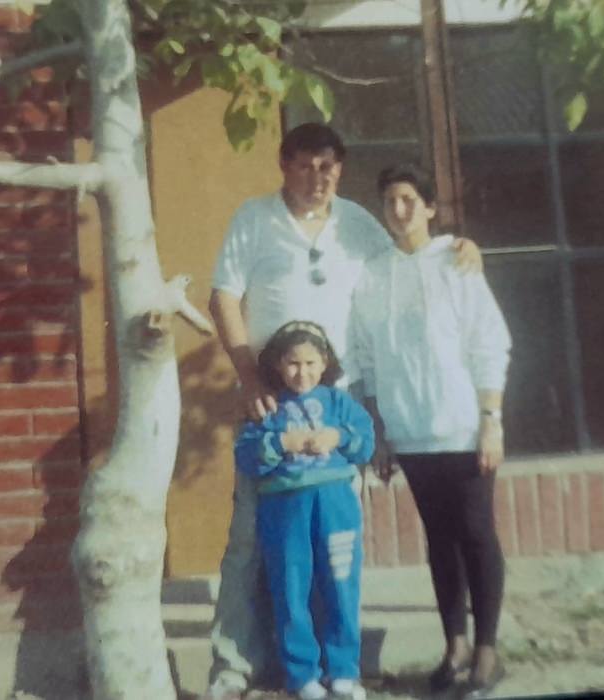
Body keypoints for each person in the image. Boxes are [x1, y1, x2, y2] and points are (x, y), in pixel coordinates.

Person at [205, 122, 482, 700]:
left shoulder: (356, 223)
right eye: (306, 165)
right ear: (284, 165)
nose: (318, 177)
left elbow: (407, 260)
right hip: (273, 399)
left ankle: (334, 665)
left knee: (331, 542)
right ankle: (234, 663)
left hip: (340, 402)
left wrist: (458, 246)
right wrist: (249, 376)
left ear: (340, 170)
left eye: (328, 166)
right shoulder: (254, 218)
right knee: (252, 537)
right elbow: (223, 295)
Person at [349, 163, 512, 700]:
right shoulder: (373, 275)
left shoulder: (456, 262)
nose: (398, 211)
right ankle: (455, 646)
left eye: (408, 200)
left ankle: (487, 651)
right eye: (390, 201)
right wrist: (381, 432)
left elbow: (490, 342)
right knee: (439, 539)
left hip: (462, 426)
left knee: (475, 531)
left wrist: (491, 420)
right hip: (411, 431)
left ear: (429, 208)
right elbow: (367, 358)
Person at [234, 321, 374, 700]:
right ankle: (302, 674)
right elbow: (246, 455)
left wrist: (338, 436)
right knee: (291, 588)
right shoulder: (268, 406)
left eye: (311, 363)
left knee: (341, 584)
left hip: (335, 506)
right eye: (293, 363)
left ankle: (343, 670)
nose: (302, 372)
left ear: (325, 362)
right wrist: (281, 441)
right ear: (278, 365)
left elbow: (365, 441)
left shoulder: (339, 403)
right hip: (285, 510)